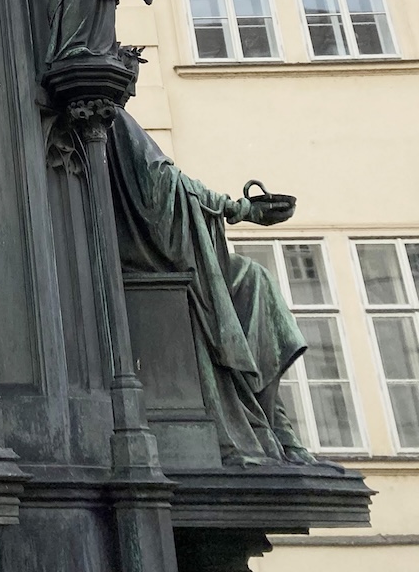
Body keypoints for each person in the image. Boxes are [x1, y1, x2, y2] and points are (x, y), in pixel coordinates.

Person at [108, 110, 317, 466]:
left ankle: (270, 419)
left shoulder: (114, 116)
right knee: (246, 284)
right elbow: (160, 184)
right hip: (129, 253)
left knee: (253, 278)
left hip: (143, 247)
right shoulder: (110, 114)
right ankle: (264, 423)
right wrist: (239, 208)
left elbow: (166, 184)